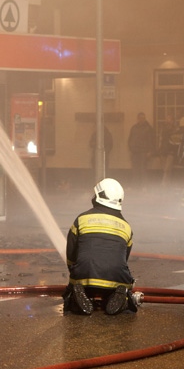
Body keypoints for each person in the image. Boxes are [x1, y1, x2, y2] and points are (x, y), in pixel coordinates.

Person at [63, 178, 138, 315]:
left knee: (73, 289)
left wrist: (74, 273)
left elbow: (71, 253)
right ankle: (120, 297)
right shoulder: (127, 227)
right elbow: (123, 259)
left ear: (98, 196)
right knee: (124, 284)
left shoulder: (81, 219)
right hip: (116, 277)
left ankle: (77, 297)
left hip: (84, 276)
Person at [127, 112, 156, 190]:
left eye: (143, 118)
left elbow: (151, 140)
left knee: (143, 169)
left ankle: (144, 186)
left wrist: (150, 151)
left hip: (144, 151)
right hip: (134, 152)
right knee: (135, 169)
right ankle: (135, 185)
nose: (141, 120)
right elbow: (130, 139)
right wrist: (130, 148)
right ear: (137, 119)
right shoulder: (134, 128)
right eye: (140, 118)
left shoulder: (148, 128)